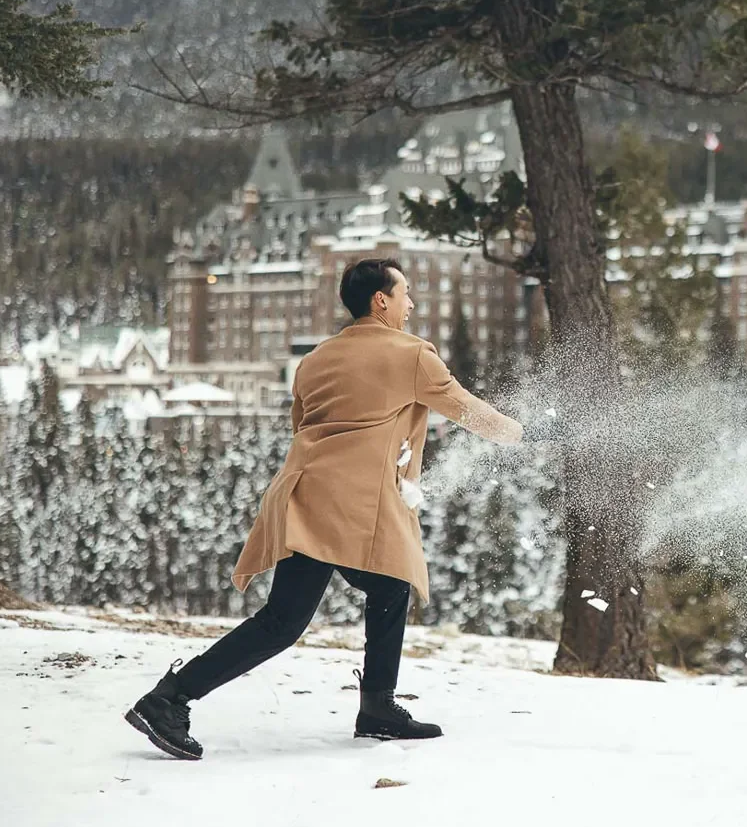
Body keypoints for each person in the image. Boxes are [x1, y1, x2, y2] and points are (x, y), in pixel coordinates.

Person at [125, 257, 551, 760]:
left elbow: (302, 424)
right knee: (293, 619)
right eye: (405, 293)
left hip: (304, 494)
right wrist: (527, 434)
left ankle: (376, 706)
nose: (411, 304)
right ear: (381, 300)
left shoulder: (316, 359)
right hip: (349, 505)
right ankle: (170, 698)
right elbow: (466, 409)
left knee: (377, 589)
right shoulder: (412, 355)